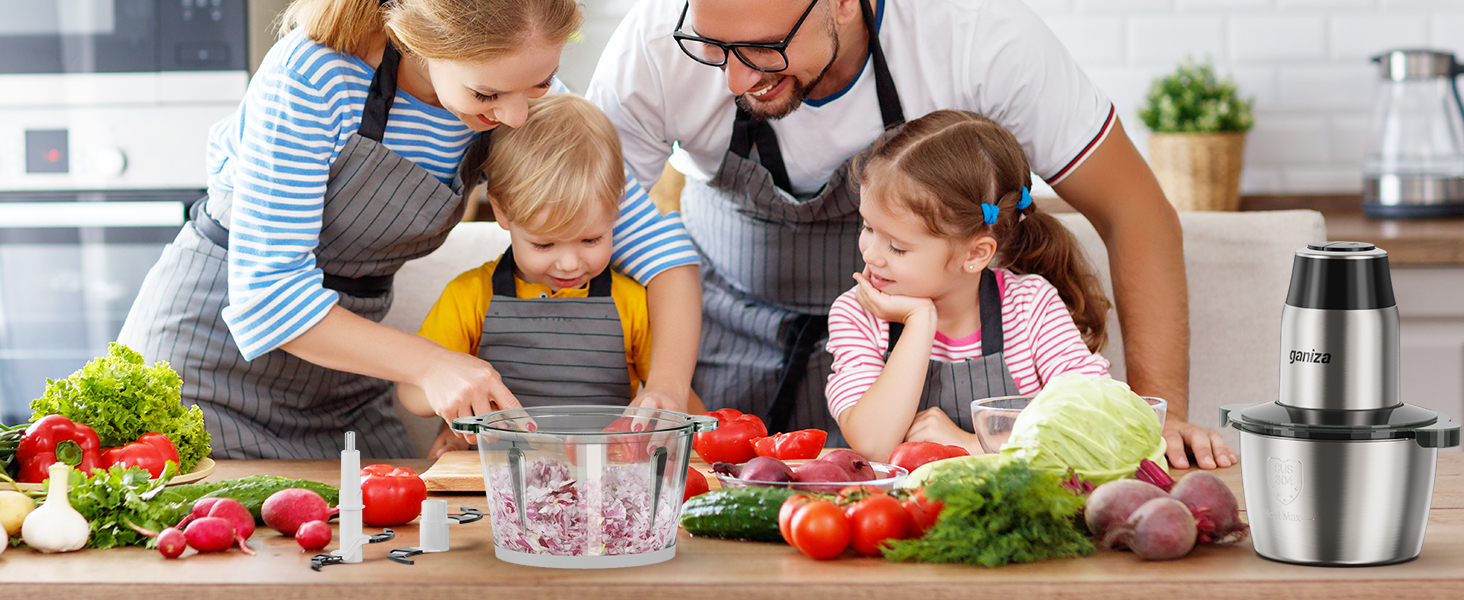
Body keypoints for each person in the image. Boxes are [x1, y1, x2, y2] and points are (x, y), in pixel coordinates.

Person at [587, 0, 1235, 468]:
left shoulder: (977, 35)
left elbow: (1138, 214)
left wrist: (1161, 419)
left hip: (910, 363)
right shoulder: (654, 46)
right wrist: (669, 389)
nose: (732, 78)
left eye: (762, 48)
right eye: (714, 48)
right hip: (724, 336)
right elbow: (591, 234)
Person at [117, 0, 703, 460]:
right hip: (207, 368)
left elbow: (663, 255)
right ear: (418, 40)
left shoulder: (514, 88)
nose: (518, 116)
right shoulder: (316, 75)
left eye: (542, 82)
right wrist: (430, 364)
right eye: (487, 94)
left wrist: (668, 390)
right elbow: (268, 299)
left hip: (352, 375)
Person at [403, 94, 704, 456]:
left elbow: (676, 403)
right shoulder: (469, 296)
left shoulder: (633, 303)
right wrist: (457, 401)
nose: (569, 264)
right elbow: (412, 395)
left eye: (591, 239)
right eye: (544, 245)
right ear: (501, 211)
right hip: (497, 483)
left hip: (600, 486)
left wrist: (696, 438)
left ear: (617, 209)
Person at [828, 110, 1110, 462]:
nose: (871, 255)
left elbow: (1100, 421)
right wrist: (918, 322)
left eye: (897, 247)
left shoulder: (1030, 308)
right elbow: (872, 445)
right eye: (868, 228)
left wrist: (972, 445)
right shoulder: (858, 314)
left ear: (976, 253)